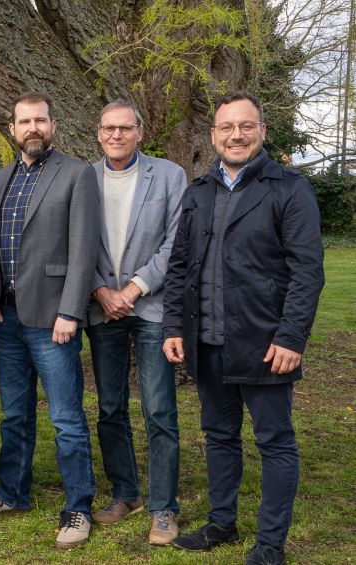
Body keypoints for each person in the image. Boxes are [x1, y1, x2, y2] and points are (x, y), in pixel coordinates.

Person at [162, 91, 324, 565]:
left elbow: (307, 271)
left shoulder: (290, 189)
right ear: (213, 135)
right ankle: (221, 524)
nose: (236, 135)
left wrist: (291, 337)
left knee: (274, 442)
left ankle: (270, 545)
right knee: (218, 435)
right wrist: (174, 325)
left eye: (245, 126)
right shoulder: (200, 191)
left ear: (262, 132)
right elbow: (179, 267)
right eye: (226, 128)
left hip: (265, 344)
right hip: (207, 341)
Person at [0, 91, 100, 549]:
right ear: (12, 129)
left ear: (53, 125)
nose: (33, 129)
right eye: (25, 122)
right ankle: (12, 493)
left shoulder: (77, 173)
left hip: (52, 318)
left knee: (66, 418)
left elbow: (84, 250)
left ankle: (78, 506)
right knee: (14, 413)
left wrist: (70, 311)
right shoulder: (0, 179)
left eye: (40, 120)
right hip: (7, 317)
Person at [85, 100, 186, 545]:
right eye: (109, 128)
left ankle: (164, 508)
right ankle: (125, 493)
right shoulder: (82, 177)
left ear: (140, 132)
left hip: (150, 308)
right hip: (102, 306)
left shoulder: (168, 176)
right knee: (109, 406)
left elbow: (175, 243)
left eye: (125, 128)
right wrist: (101, 291)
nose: (116, 135)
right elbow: (73, 243)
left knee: (158, 408)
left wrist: (134, 289)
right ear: (99, 133)